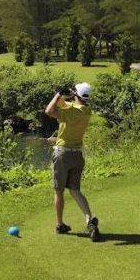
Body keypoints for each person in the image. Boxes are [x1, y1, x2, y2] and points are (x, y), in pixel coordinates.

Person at [45, 81, 99, 241]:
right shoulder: (86, 111)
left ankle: (60, 224)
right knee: (75, 190)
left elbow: (49, 110)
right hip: (77, 156)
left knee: (59, 191)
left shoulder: (70, 112)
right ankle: (89, 219)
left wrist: (58, 94)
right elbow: (64, 104)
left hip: (62, 154)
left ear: (76, 94)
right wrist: (63, 96)